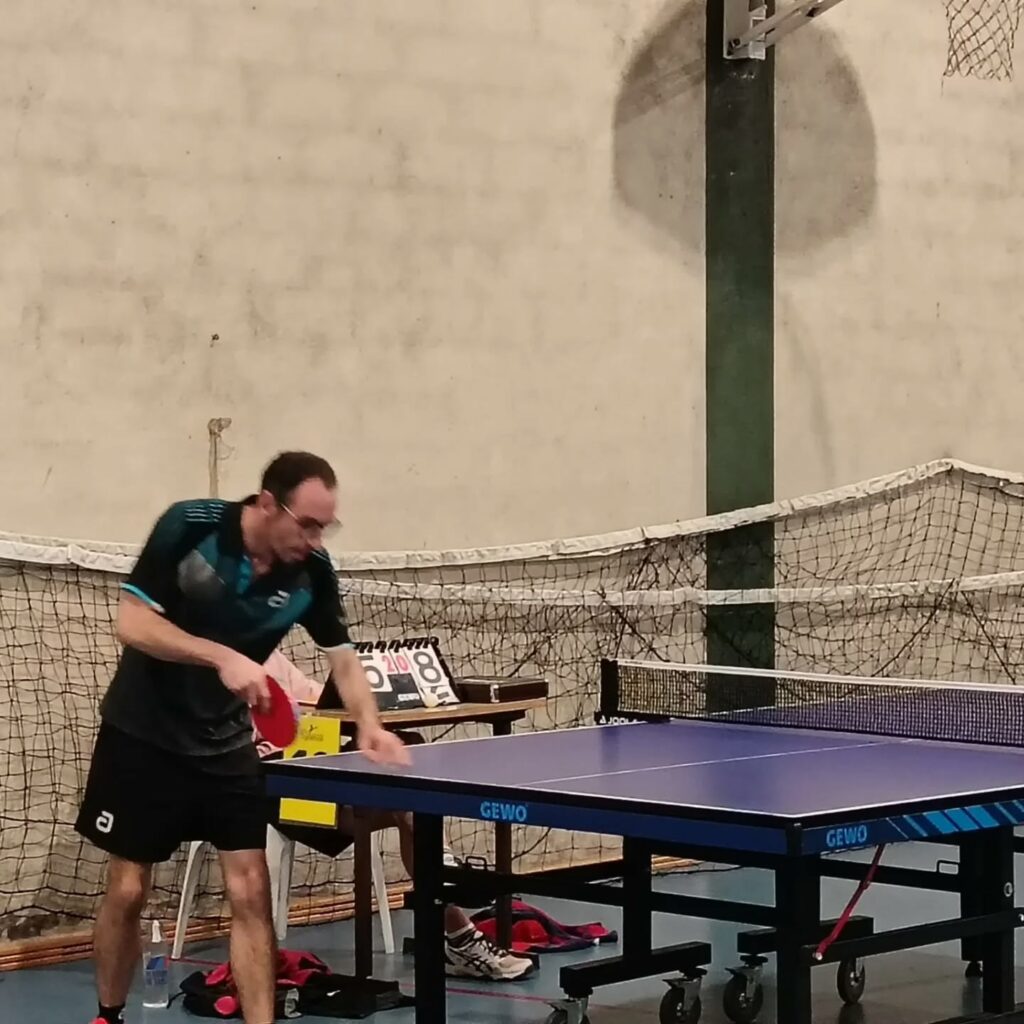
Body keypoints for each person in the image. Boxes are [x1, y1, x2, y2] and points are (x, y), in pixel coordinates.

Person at [75, 451, 408, 1024]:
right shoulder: (191, 526)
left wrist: (370, 725)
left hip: (225, 743)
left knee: (251, 888)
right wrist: (221, 656)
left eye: (325, 527)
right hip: (143, 732)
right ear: (267, 504)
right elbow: (132, 623)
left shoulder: (311, 572)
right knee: (128, 890)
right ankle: (109, 1015)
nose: (315, 540)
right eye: (306, 524)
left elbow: (344, 660)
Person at [260, 650, 536, 982]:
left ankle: (450, 902)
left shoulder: (270, 656)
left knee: (408, 765)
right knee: (405, 795)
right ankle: (452, 904)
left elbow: (321, 701)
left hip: (313, 772)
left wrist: (366, 704)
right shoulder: (219, 668)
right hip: (272, 786)